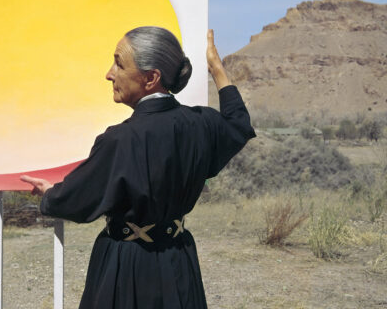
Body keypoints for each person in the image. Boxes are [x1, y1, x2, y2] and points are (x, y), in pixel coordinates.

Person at [21, 27, 255, 309]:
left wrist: (50, 195)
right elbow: (238, 124)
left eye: (119, 63)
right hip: (179, 258)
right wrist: (217, 69)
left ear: (151, 78)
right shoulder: (202, 124)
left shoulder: (121, 140)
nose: (109, 73)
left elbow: (75, 201)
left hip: (128, 266)